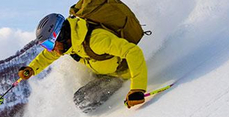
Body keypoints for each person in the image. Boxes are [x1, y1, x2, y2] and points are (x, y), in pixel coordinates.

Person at [19, 13, 148, 108]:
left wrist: (137, 89)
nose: (51, 49)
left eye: (49, 44)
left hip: (124, 73)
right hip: (105, 75)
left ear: (61, 34)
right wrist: (32, 68)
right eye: (46, 45)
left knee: (85, 101)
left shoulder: (96, 40)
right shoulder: (71, 43)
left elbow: (133, 52)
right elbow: (47, 56)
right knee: (81, 100)